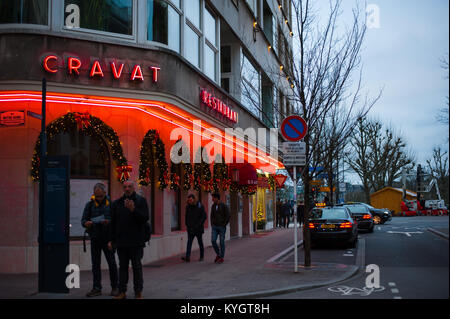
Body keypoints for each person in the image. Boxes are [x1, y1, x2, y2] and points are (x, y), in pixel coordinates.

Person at [108, 181, 149, 299]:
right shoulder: (117, 203)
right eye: (125, 187)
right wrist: (111, 240)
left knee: (136, 266)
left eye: (129, 187)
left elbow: (145, 218)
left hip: (136, 241)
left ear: (133, 187)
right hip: (122, 242)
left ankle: (138, 291)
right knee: (123, 267)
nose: (127, 189)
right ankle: (122, 291)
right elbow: (113, 223)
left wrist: (133, 210)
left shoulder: (141, 201)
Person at [81, 183, 118, 297]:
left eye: (100, 196)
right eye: (96, 196)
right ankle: (97, 288)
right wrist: (86, 223)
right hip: (95, 238)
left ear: (105, 193)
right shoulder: (89, 205)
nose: (99, 198)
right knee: (95, 265)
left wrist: (108, 222)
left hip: (108, 239)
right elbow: (83, 221)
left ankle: (115, 287)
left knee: (112, 263)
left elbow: (117, 222)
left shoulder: (112, 205)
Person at [182, 194, 207, 262]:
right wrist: (187, 225)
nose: (189, 201)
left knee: (200, 242)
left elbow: (204, 216)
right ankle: (187, 257)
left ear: (194, 199)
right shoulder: (188, 207)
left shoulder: (200, 206)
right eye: (188, 200)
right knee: (189, 242)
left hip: (198, 228)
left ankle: (201, 256)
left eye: (191, 200)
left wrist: (198, 225)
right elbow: (186, 216)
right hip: (190, 228)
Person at [210, 193, 230, 264]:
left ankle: (221, 257)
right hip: (215, 227)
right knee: (213, 240)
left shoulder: (224, 206)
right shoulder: (213, 206)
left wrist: (224, 224)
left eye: (213, 198)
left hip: (222, 227)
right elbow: (211, 216)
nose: (212, 199)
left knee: (222, 242)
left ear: (217, 198)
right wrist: (212, 224)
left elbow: (228, 216)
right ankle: (218, 254)